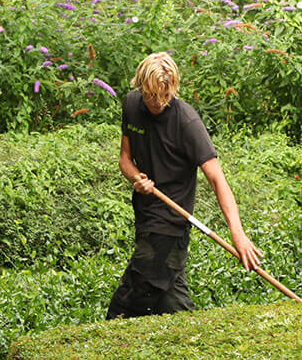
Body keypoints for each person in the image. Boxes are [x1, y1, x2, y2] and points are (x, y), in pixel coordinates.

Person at [107, 52, 261, 319]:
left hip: (172, 220)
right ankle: (194, 340)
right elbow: (125, 159)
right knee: (169, 299)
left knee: (133, 294)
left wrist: (237, 233)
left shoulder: (186, 122)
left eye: (164, 96)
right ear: (141, 86)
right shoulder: (131, 105)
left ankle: (109, 334)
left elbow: (217, 179)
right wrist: (136, 179)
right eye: (151, 95)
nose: (157, 102)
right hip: (145, 212)